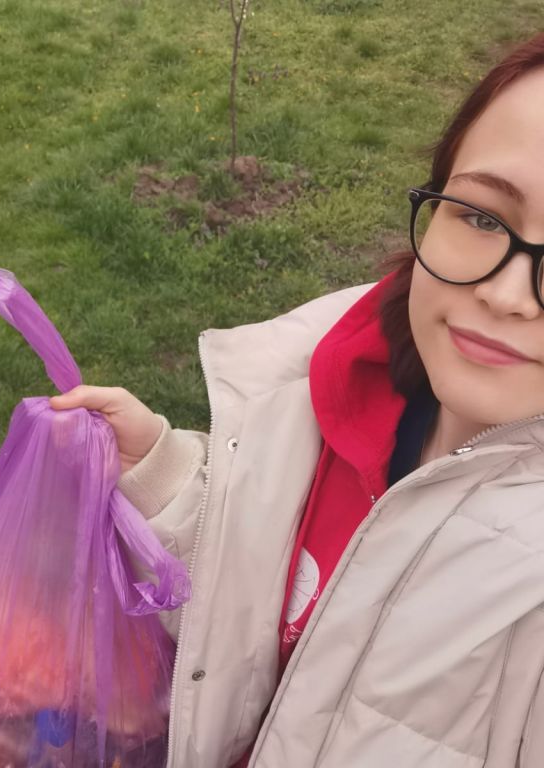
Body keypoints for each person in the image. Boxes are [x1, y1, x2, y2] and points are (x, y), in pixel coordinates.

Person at [50, 32, 544, 767]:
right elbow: (255, 611)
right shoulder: (339, 388)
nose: (506, 294)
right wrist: (162, 472)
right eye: (481, 216)